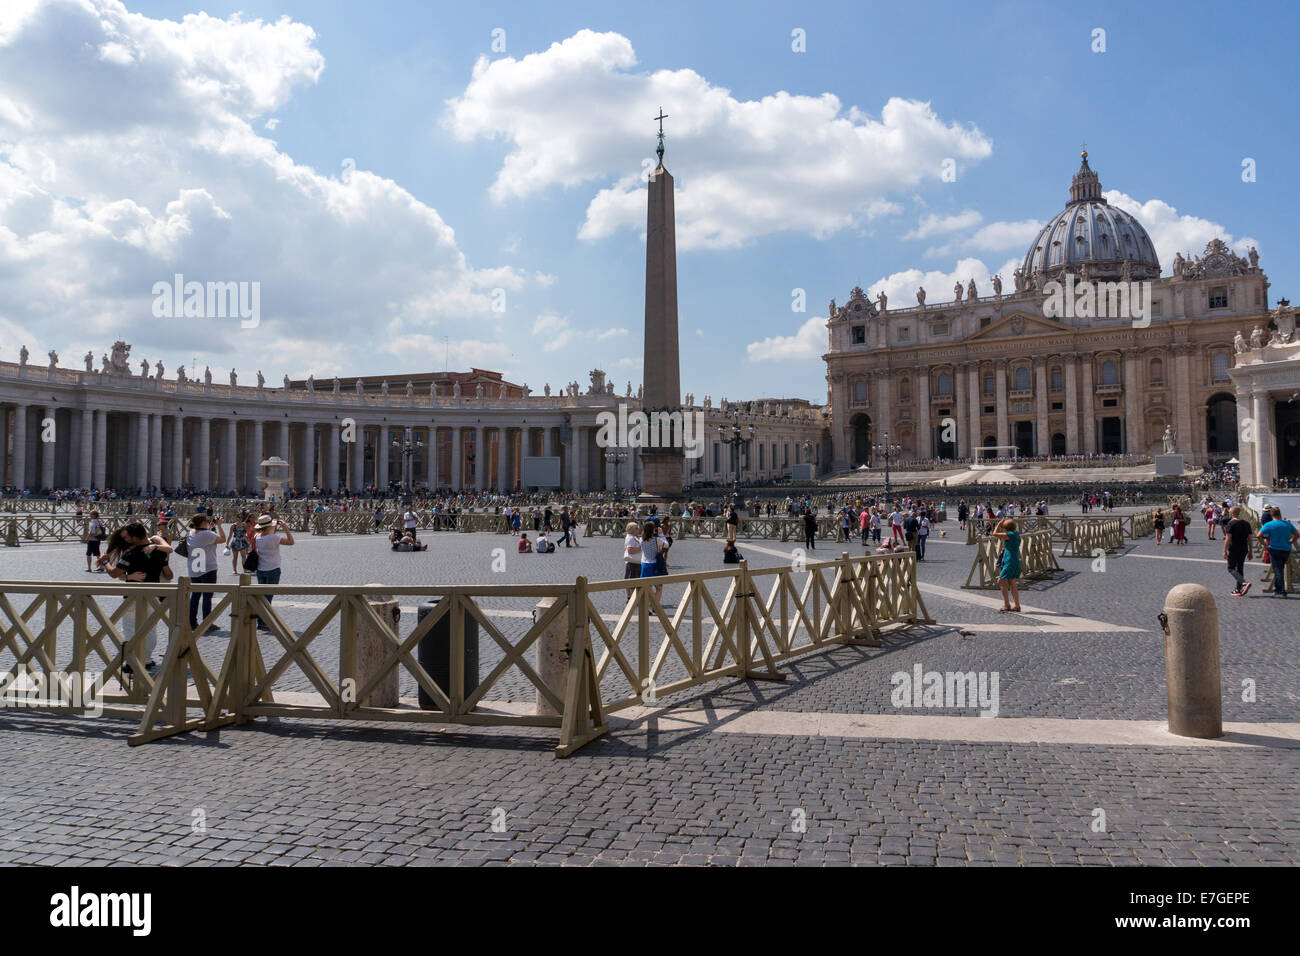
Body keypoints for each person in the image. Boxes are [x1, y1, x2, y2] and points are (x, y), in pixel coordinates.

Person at [100, 522, 173, 673]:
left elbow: (114, 573)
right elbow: (168, 573)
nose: (126, 540)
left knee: (129, 628)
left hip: (133, 595)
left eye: (128, 537)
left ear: (134, 537)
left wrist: (105, 562)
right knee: (150, 628)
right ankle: (146, 660)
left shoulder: (131, 553)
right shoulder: (159, 551)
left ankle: (132, 660)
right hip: (153, 594)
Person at [251, 514, 294, 631]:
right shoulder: (273, 538)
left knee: (263, 597)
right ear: (269, 526)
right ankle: (264, 622)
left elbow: (267, 532)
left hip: (261, 569)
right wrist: (285, 527)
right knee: (268, 597)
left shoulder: (257, 536)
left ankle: (261, 621)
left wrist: (273, 525)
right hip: (273, 569)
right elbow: (291, 542)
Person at [184, 514, 225, 631]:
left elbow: (205, 537)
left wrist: (211, 527)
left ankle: (191, 622)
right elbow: (222, 539)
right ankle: (207, 623)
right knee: (207, 596)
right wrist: (219, 526)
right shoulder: (207, 534)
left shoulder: (190, 533)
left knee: (195, 596)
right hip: (208, 568)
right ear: (202, 522)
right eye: (206, 521)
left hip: (194, 568)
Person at [1257, 507, 1299, 597]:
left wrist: (1265, 545)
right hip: (1286, 549)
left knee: (1278, 570)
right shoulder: (1287, 524)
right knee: (1279, 569)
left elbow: (1258, 536)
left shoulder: (1269, 524)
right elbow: (1297, 534)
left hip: (1274, 549)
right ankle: (1278, 589)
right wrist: (1291, 541)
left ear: (1271, 515)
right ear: (1280, 514)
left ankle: (1281, 591)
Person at [992, 518, 1021, 612]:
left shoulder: (1010, 535)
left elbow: (995, 533)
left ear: (1006, 528)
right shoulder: (1016, 534)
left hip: (1010, 561)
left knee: (1001, 581)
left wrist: (998, 524)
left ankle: (1007, 605)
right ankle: (1017, 606)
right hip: (1014, 559)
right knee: (1012, 583)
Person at [1222, 506, 1253, 596]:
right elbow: (1250, 538)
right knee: (1240, 568)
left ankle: (1244, 583)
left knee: (1231, 568)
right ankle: (1239, 589)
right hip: (1244, 548)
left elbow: (1228, 539)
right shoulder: (1246, 523)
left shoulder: (1231, 524)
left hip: (1234, 548)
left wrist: (1224, 550)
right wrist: (1250, 551)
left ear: (1231, 513)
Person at [622, 521, 642, 599]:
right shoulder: (630, 538)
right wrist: (641, 549)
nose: (638, 529)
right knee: (632, 580)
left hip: (633, 562)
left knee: (630, 579)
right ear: (633, 529)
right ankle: (631, 598)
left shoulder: (632, 537)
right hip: (633, 562)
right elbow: (630, 550)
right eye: (637, 528)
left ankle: (631, 597)